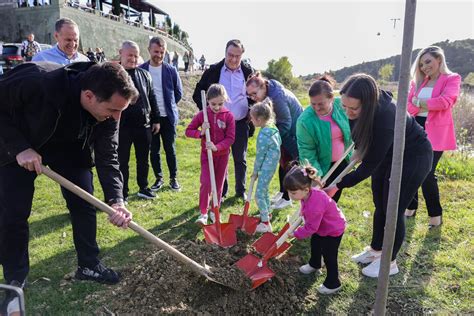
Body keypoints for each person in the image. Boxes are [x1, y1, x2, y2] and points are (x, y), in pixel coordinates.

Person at [0, 61, 139, 314]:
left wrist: (116, 200)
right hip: (20, 144)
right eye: (112, 110)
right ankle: (15, 277)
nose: (117, 117)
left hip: (69, 147)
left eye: (121, 111)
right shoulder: (36, 82)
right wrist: (19, 147)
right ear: (89, 96)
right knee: (13, 213)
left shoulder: (110, 109)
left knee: (84, 203)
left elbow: (108, 155)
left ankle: (88, 265)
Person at [323, 74, 433, 278]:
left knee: (393, 208)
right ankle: (376, 250)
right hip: (388, 153)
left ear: (368, 102)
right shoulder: (355, 107)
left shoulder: (386, 116)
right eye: (344, 106)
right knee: (380, 203)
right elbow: (359, 135)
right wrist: (359, 148)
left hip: (413, 156)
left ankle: (389, 262)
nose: (347, 112)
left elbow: (369, 165)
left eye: (353, 108)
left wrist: (338, 185)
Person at [405, 46, 462, 228]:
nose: (424, 67)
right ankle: (411, 205)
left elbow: (446, 101)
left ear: (439, 59)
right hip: (414, 129)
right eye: (421, 64)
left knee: (427, 173)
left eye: (428, 61)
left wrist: (420, 103)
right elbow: (408, 106)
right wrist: (426, 105)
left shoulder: (451, 79)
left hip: (436, 133)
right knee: (409, 169)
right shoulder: (419, 82)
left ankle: (435, 214)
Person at [193, 39, 255, 200]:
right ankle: (222, 191)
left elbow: (256, 95)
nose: (234, 59)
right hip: (219, 124)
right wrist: (207, 113)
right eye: (230, 55)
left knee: (240, 158)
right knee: (221, 157)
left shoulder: (248, 72)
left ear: (242, 55)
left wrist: (251, 110)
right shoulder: (214, 71)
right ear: (225, 53)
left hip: (241, 122)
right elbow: (198, 92)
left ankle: (240, 192)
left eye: (237, 56)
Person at [285, 164, 346, 295]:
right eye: (289, 192)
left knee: (329, 255)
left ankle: (333, 283)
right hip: (322, 227)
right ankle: (315, 263)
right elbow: (305, 207)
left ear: (306, 189)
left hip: (333, 229)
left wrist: (295, 234)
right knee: (316, 244)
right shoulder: (308, 194)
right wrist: (303, 212)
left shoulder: (315, 205)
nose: (290, 195)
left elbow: (311, 228)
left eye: (293, 192)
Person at [246, 72, 303, 209]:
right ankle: (282, 192)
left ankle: (287, 197)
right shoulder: (269, 92)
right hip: (284, 133)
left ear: (263, 86)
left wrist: (272, 137)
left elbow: (285, 123)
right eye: (250, 95)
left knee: (290, 164)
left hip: (294, 134)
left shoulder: (277, 98)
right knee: (282, 163)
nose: (253, 98)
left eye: (254, 94)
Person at [296, 75, 352, 202]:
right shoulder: (305, 121)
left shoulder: (341, 105)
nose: (316, 108)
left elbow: (353, 126)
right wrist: (316, 176)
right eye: (313, 104)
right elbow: (307, 150)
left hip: (342, 162)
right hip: (319, 167)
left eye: (321, 103)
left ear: (331, 98)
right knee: (315, 202)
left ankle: (330, 220)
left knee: (333, 199)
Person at [185, 84, 235, 225]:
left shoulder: (228, 116)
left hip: (222, 155)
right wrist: (200, 132)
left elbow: (230, 138)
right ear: (207, 101)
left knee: (218, 185)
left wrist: (216, 147)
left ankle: (215, 210)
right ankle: (203, 213)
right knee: (206, 183)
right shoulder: (202, 114)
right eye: (213, 104)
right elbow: (188, 131)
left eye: (220, 103)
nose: (217, 107)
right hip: (207, 156)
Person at [117, 41, 160, 201]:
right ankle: (122, 193)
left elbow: (152, 97)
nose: (133, 59)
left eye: (136, 56)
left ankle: (143, 187)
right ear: (121, 53)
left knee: (143, 159)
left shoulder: (145, 74)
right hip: (122, 127)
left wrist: (155, 119)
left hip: (143, 125)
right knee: (122, 161)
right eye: (130, 55)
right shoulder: (114, 74)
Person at [140, 36, 183, 192]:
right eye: (156, 51)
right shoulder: (142, 70)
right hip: (151, 119)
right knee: (154, 149)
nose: (158, 54)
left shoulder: (171, 70)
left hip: (168, 118)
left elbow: (178, 93)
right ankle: (159, 178)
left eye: (162, 52)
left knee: (170, 149)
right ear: (149, 50)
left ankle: (173, 178)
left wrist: (168, 107)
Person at [250, 99, 281, 233]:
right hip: (272, 166)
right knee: (265, 190)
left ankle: (265, 223)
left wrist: (255, 171)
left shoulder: (263, 135)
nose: (251, 120)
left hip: (265, 168)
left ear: (259, 119)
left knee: (259, 195)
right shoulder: (273, 128)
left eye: (252, 118)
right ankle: (267, 213)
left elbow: (260, 156)